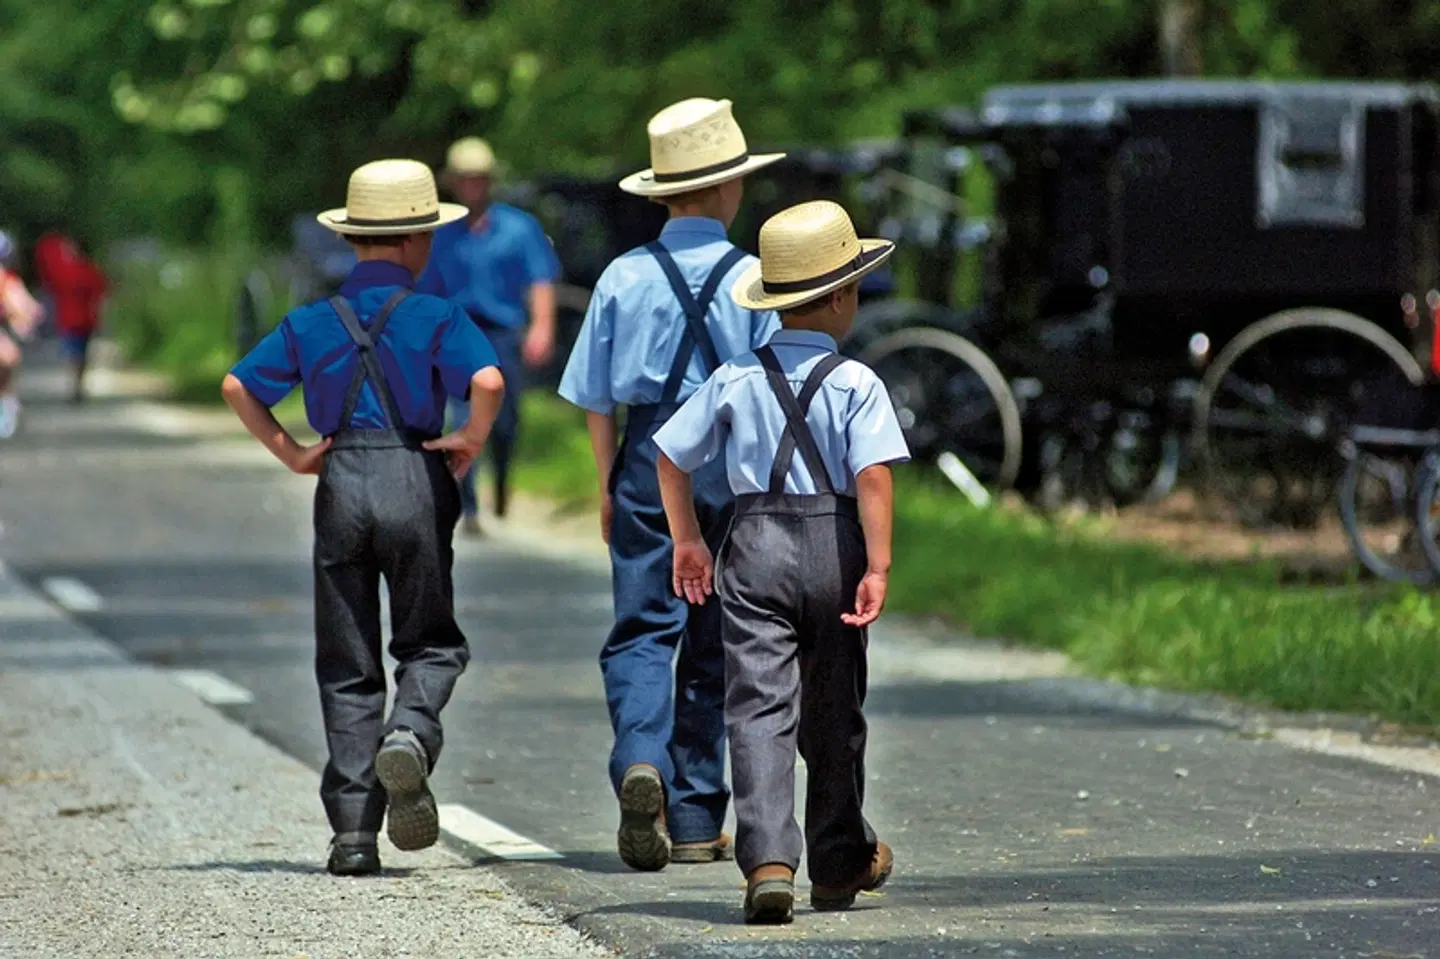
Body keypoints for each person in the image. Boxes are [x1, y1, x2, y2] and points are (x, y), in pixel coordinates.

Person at [220, 159, 505, 876]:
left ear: (353, 239)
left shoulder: (312, 320)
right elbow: (488, 379)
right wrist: (471, 437)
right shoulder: (436, 313)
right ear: (414, 240)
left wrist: (293, 454)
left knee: (348, 662)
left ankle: (352, 832)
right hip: (414, 474)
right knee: (430, 643)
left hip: (342, 480)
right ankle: (408, 733)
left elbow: (237, 385)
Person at [652, 200, 909, 924]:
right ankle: (836, 863)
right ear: (840, 297)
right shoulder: (857, 382)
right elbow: (873, 476)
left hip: (755, 545)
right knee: (834, 710)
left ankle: (768, 861)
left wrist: (688, 540)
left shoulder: (735, 375)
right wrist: (878, 566)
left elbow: (670, 455)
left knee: (757, 707)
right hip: (834, 547)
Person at [557, 97, 786, 872]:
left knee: (642, 628)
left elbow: (595, 398)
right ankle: (692, 817)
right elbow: (774, 390)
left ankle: (638, 759)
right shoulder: (754, 277)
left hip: (645, 457)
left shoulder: (622, 276)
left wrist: (606, 485)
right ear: (724, 188)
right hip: (729, 463)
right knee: (716, 634)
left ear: (664, 194)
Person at [418, 136, 561, 535]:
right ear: (453, 183)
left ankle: (501, 483)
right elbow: (426, 291)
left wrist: (542, 327)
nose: (472, 186)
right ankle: (469, 505)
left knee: (505, 420)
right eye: (465, 179)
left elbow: (541, 280)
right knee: (462, 416)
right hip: (457, 336)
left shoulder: (520, 228)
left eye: (479, 178)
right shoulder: (440, 234)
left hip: (504, 335)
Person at [33, 231, 107, 404]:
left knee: (74, 354)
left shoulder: (67, 270)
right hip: (85, 319)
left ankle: (76, 386)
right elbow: (100, 294)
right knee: (81, 354)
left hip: (69, 319)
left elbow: (50, 283)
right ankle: (78, 385)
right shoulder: (90, 270)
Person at [0, 232, 44, 438]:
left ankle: (7, 410)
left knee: (7, 367)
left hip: (5, 336)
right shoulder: (7, 280)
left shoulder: (8, 280)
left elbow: (27, 308)